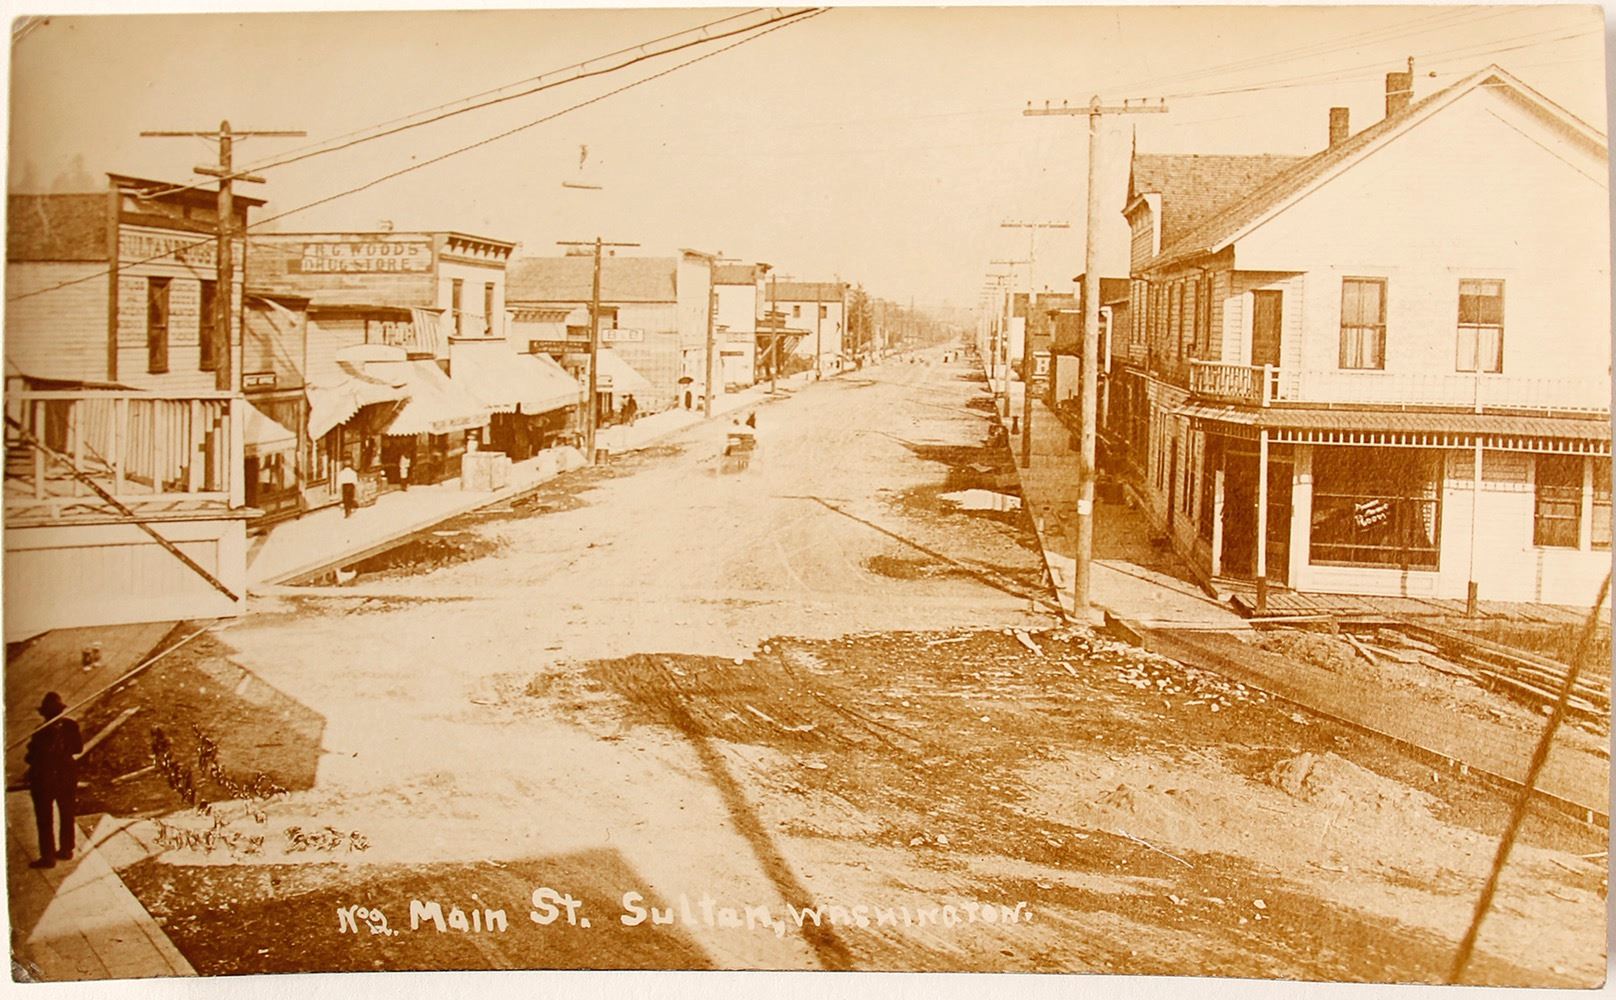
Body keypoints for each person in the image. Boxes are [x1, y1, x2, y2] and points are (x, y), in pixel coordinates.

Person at [24, 692, 82, 868]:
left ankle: (48, 857)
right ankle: (66, 849)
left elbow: (31, 758)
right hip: (66, 776)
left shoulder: (40, 733)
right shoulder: (71, 726)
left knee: (44, 818)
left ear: (45, 714)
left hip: (44, 780)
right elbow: (78, 749)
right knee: (66, 814)